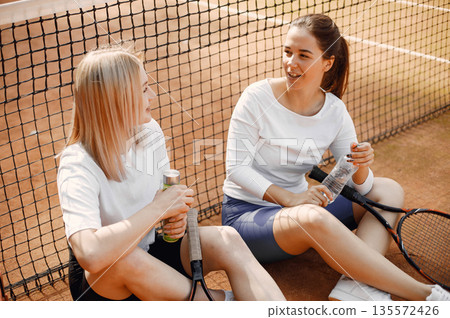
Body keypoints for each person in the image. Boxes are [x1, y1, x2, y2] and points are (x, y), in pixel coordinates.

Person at [222, 14, 449, 301]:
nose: (291, 62)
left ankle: (353, 285)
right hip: (247, 218)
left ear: (327, 63)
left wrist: (362, 168)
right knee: (313, 216)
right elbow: (236, 169)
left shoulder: (334, 111)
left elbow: (364, 190)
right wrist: (290, 199)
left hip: (302, 212)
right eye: (287, 51)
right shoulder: (256, 97)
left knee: (388, 189)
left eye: (304, 55)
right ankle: (427, 294)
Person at [57, 45, 285, 301]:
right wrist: (159, 209)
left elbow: (161, 205)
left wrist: (173, 218)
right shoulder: (77, 163)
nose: (153, 95)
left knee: (227, 238)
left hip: (152, 249)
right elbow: (91, 254)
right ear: (116, 98)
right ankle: (219, 302)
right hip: (105, 287)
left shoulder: (149, 132)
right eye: (144, 89)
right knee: (124, 258)